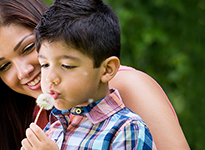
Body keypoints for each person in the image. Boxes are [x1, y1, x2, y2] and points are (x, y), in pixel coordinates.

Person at [0, 0, 189, 149]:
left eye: (28, 48)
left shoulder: (125, 90)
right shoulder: (48, 120)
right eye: (3, 66)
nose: (23, 72)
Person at [21, 0, 155, 149]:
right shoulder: (54, 127)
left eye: (67, 66)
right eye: (44, 65)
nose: (50, 78)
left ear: (107, 69)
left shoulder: (126, 130)